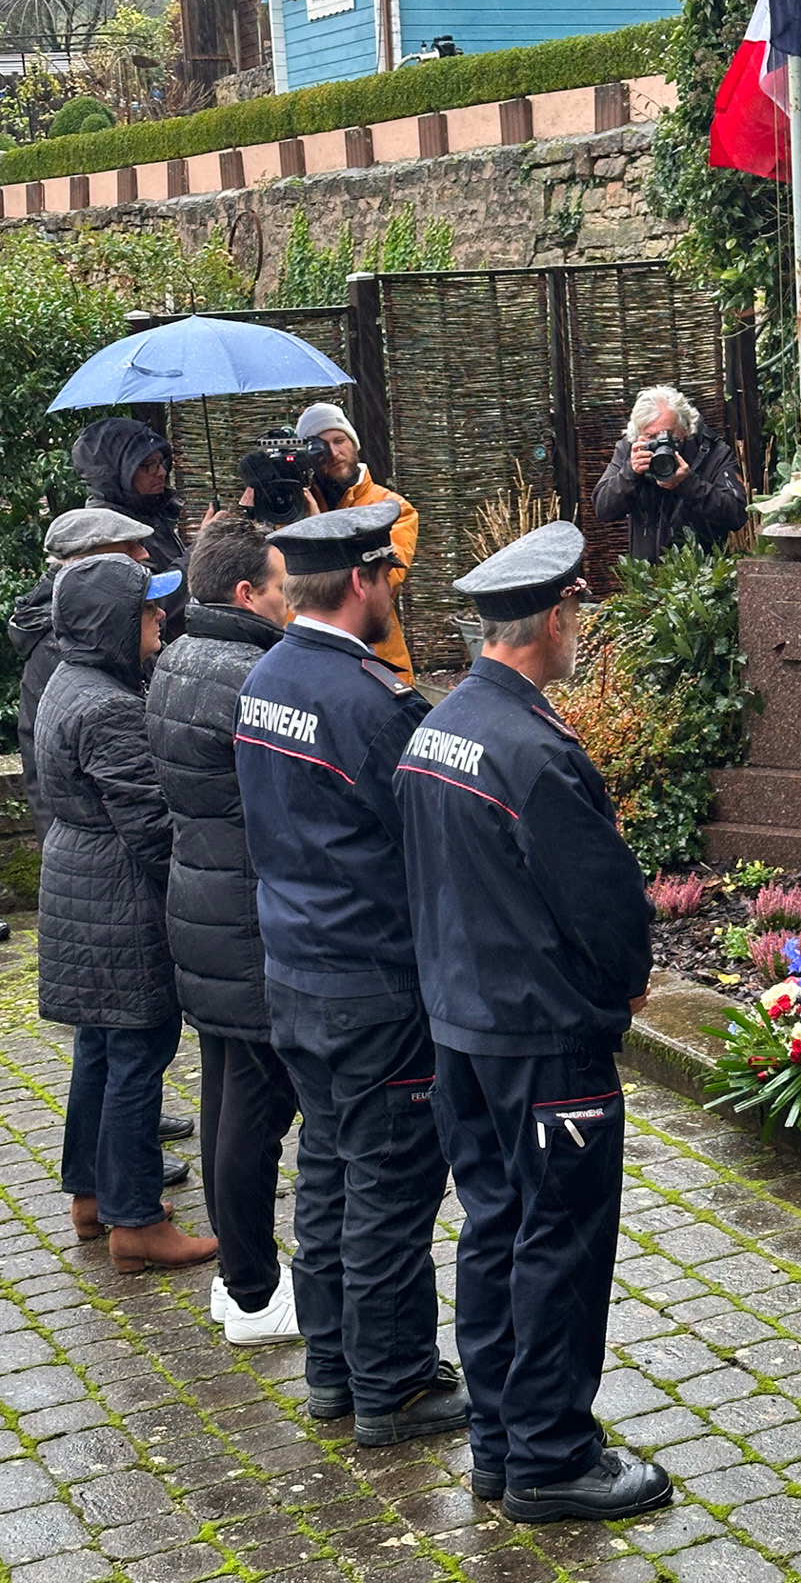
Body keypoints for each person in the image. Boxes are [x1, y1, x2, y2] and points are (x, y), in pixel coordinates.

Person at [395, 521, 667, 1523]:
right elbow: (603, 903)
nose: (580, 630)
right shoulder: (535, 752)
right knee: (559, 1243)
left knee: (495, 1229)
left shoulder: (437, 727)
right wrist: (624, 983)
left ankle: (501, 1444)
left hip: (462, 1029)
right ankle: (552, 1457)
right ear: (553, 619)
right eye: (577, 613)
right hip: (545, 1041)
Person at [233, 502, 465, 1446]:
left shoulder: (266, 677)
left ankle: (332, 1369)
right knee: (389, 1186)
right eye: (389, 579)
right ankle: (394, 1386)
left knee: (328, 1174)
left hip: (296, 970)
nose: (392, 595)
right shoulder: (375, 704)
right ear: (363, 580)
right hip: (374, 982)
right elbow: (432, 841)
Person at [35, 553, 217, 1274]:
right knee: (139, 1052)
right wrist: (200, 891)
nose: (160, 617)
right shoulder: (109, 706)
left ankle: (91, 1195)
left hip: (79, 882)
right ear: (111, 622)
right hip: (118, 895)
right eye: (146, 608)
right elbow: (150, 827)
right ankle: (134, 1220)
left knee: (100, 1047)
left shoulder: (68, 680)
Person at [146, 513, 301, 1346]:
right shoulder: (253, 677)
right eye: (281, 588)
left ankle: (236, 1280)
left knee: (225, 1097)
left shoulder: (177, 656)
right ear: (247, 592)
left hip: (202, 906)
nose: (290, 601)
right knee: (255, 1111)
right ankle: (253, 1292)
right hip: (246, 915)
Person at [8, 508, 153, 843]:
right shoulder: (65, 639)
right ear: (84, 562)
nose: (143, 554)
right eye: (128, 547)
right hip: (104, 845)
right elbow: (45, 764)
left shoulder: (93, 623)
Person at [293, 403, 418, 684]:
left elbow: (381, 580)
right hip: (306, 663)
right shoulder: (294, 510)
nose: (334, 453)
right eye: (320, 447)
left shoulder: (391, 508)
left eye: (340, 440)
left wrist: (318, 530)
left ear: (354, 443)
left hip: (374, 660)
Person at [592, 385, 746, 562]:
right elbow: (602, 508)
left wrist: (689, 484)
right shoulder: (630, 450)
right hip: (646, 574)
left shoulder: (712, 452)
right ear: (638, 434)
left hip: (705, 572)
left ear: (685, 428)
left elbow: (737, 514)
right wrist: (630, 473)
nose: (660, 443)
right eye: (651, 437)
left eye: (668, 435)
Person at [72, 418, 191, 635]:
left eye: (161, 462)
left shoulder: (149, 511)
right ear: (116, 474)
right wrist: (200, 553)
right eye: (148, 466)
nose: (161, 472)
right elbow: (152, 606)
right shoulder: (107, 534)